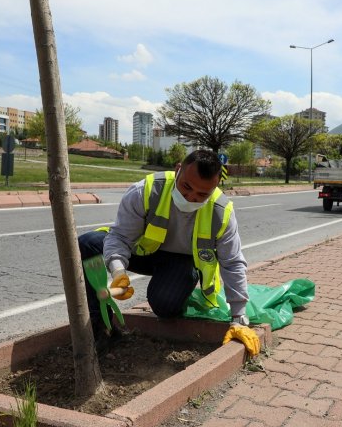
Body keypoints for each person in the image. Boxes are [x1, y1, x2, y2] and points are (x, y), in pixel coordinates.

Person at [78, 150, 258, 356]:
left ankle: (180, 287)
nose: (190, 198)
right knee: (88, 244)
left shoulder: (221, 211)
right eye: (186, 187)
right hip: (144, 252)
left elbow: (232, 263)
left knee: (164, 306)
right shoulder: (145, 190)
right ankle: (102, 327)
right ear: (178, 169)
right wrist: (118, 271)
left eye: (201, 195)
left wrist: (239, 319)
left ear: (214, 189)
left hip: (181, 261)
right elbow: (120, 236)